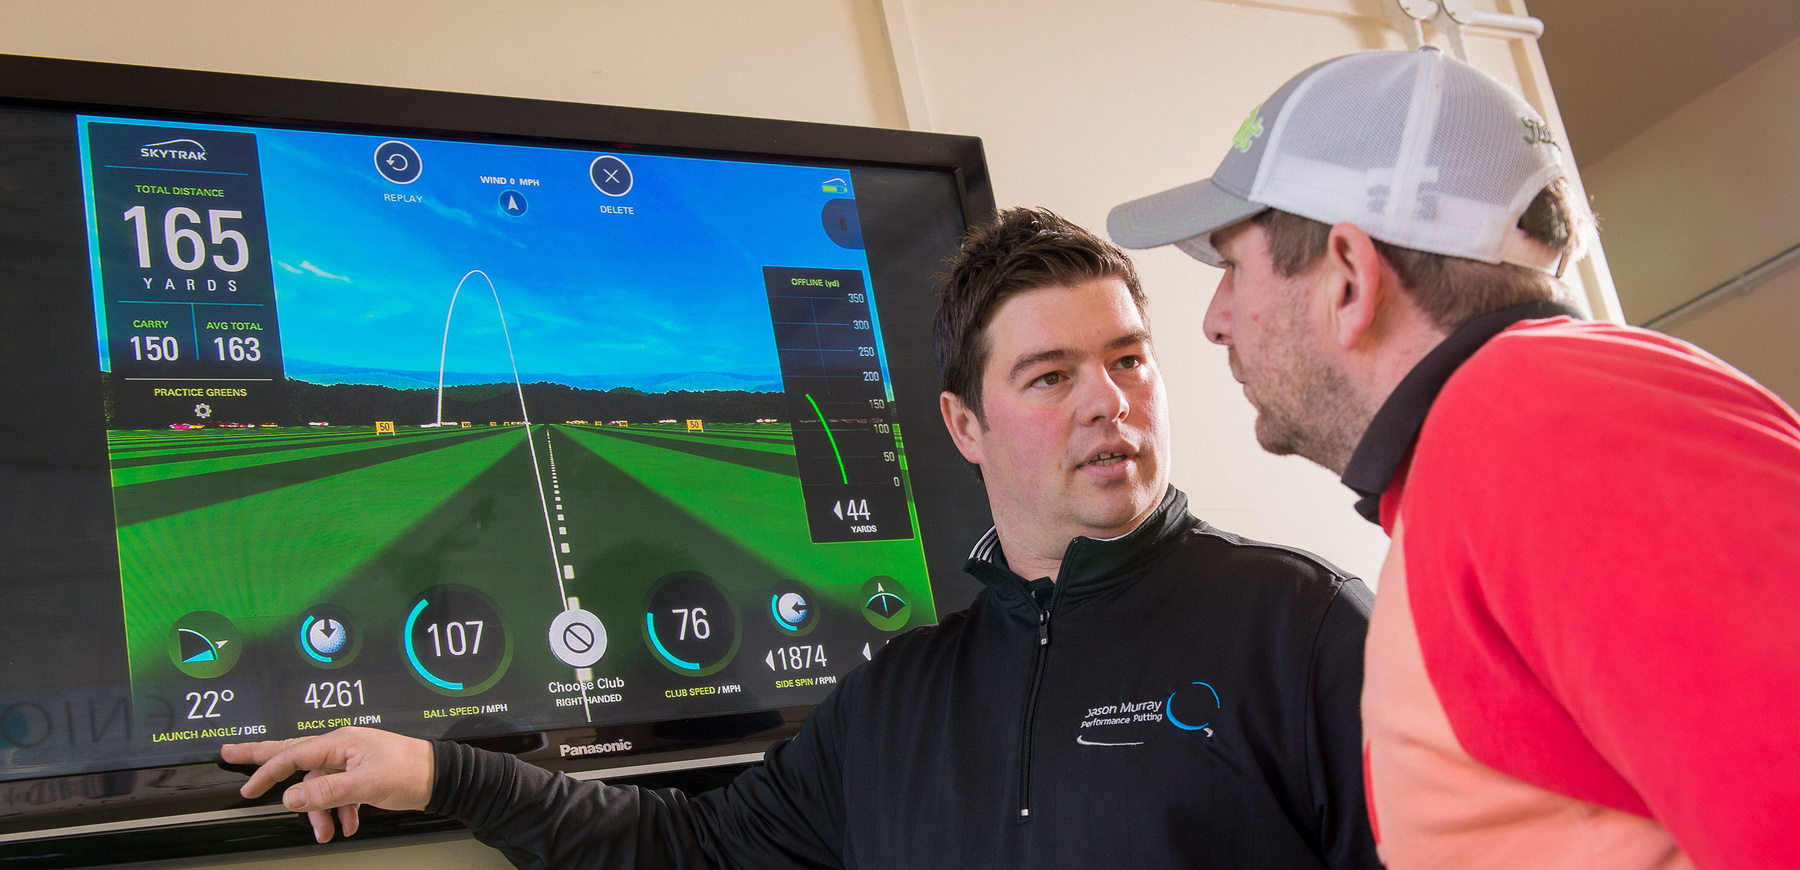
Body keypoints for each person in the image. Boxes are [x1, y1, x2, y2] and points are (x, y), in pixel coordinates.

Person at [225, 208, 1379, 869]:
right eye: (1051, 375)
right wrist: (443, 774)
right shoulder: (899, 698)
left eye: (1129, 360)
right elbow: (690, 854)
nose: (1109, 402)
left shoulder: (1304, 628)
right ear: (964, 426)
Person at [1108, 45, 1800, 869]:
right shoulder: (1495, 447)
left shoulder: (1543, 430)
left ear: (1348, 278)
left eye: (1232, 267)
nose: (1214, 320)